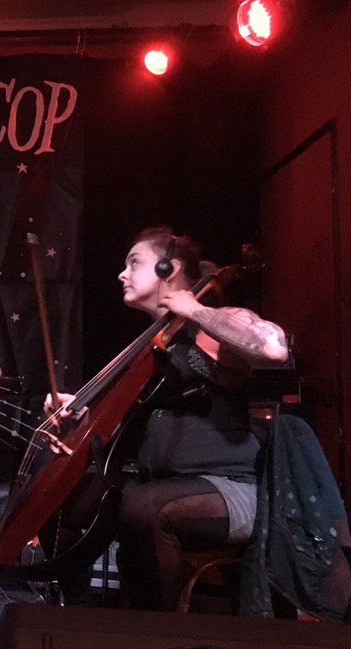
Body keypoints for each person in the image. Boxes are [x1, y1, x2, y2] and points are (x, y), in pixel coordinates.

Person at [47, 227, 289, 610]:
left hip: (227, 490)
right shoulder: (151, 345)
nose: (122, 274)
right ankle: (74, 617)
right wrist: (80, 408)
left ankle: (162, 630)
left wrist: (195, 310)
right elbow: (121, 421)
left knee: (143, 508)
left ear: (168, 268)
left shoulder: (219, 320)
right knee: (66, 501)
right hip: (158, 488)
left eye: (134, 263)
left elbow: (273, 349)